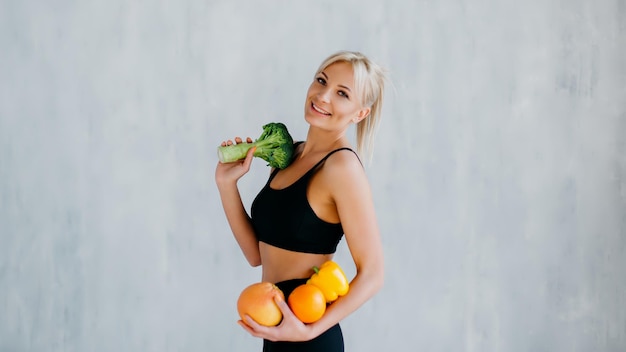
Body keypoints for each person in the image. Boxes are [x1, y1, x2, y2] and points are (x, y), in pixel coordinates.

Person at [215, 50, 387, 352]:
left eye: (342, 93)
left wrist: (308, 333)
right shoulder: (289, 153)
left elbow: (373, 274)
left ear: (360, 113)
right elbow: (257, 255)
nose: (322, 96)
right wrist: (226, 185)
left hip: (310, 338)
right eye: (321, 81)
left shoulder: (342, 168)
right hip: (276, 331)